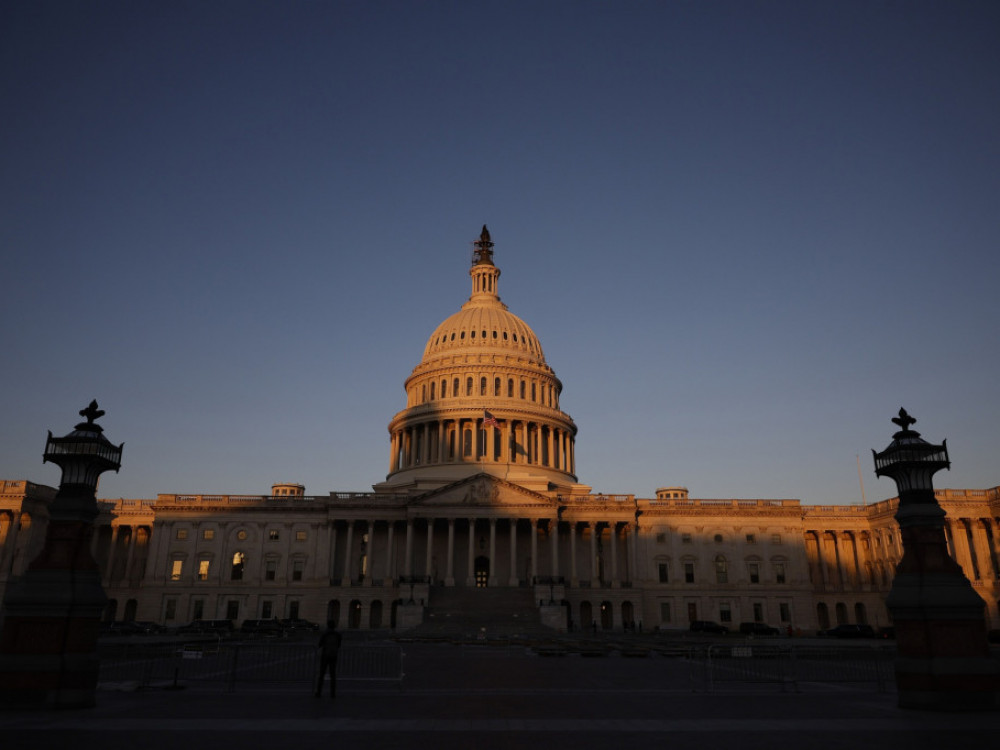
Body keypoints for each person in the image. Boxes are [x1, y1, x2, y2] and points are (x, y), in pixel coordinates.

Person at [315, 622, 342, 698]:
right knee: (333, 675)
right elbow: (339, 644)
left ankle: (319, 692)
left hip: (325, 656)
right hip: (334, 656)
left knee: (322, 674)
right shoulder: (337, 634)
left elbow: (320, 644)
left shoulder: (325, 634)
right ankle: (333, 693)